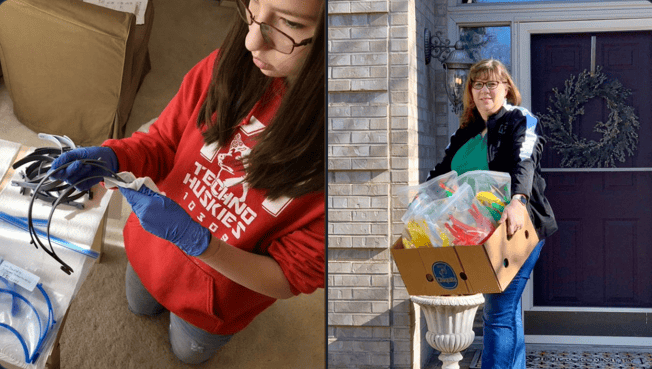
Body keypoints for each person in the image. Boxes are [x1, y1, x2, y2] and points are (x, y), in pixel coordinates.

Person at [49, 0, 325, 364]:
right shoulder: (224, 66)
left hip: (217, 302)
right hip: (149, 250)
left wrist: (200, 244)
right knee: (139, 303)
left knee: (187, 352)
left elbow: (291, 276)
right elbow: (164, 142)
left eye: (289, 24)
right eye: (255, 6)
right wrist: (116, 157)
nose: (250, 41)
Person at [426, 59, 557, 369]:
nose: (484, 90)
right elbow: (441, 174)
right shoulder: (465, 132)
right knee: (506, 311)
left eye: (492, 84)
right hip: (478, 234)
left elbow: (524, 160)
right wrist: (422, 203)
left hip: (514, 227)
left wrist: (518, 201)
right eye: (478, 84)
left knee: (497, 311)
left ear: (506, 88)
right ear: (470, 92)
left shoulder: (520, 120)